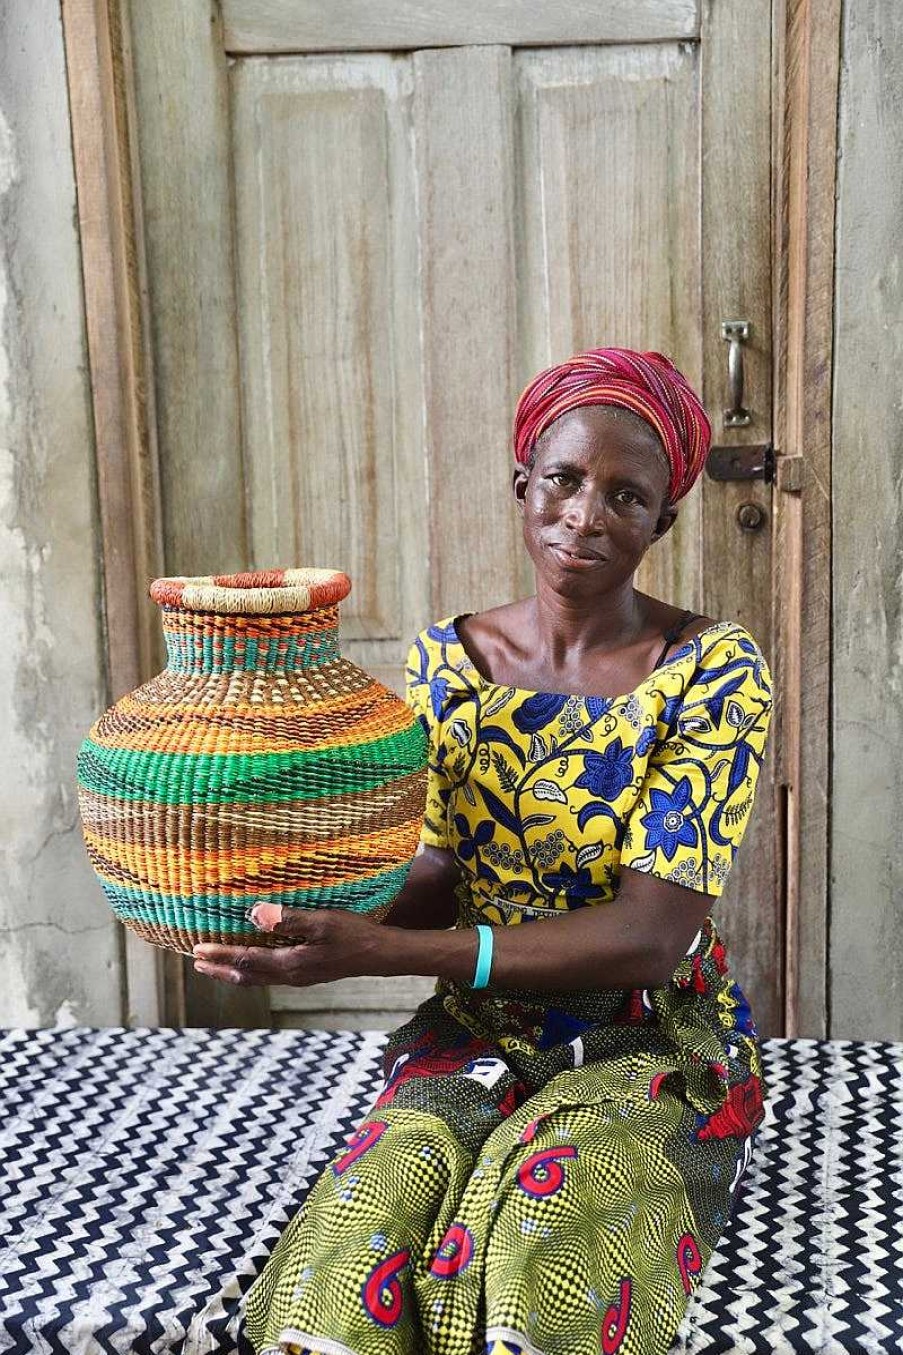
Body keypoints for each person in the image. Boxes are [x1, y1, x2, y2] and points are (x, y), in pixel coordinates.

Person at [193, 347, 774, 1355]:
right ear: (522, 483)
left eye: (627, 496)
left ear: (663, 522)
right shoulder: (446, 661)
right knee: (374, 1208)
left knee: (540, 1232)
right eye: (565, 479)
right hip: (479, 1022)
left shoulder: (711, 672)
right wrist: (308, 916)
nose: (586, 515)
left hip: (650, 1032)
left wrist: (379, 954)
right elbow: (437, 870)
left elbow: (647, 935)